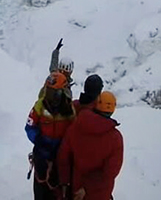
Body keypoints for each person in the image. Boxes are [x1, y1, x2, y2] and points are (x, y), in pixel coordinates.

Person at [58, 91, 124, 200]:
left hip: (75, 190)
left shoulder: (76, 127)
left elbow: (63, 157)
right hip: (101, 193)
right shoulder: (115, 138)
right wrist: (87, 188)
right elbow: (110, 172)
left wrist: (65, 184)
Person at [26, 71, 75, 200]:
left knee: (56, 192)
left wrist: (64, 148)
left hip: (60, 158)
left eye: (54, 93)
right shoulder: (40, 106)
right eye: (49, 91)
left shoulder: (69, 110)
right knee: (40, 190)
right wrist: (38, 140)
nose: (50, 96)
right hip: (42, 155)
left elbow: (73, 132)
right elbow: (30, 126)